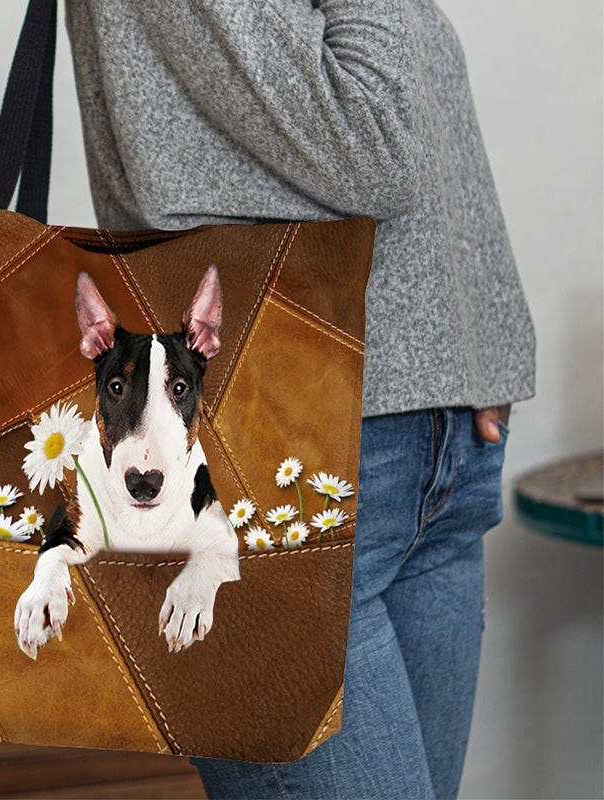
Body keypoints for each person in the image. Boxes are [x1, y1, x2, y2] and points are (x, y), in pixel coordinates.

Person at [63, 1, 536, 797]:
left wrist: (478, 346)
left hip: (437, 456)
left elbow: (426, 114)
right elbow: (374, 145)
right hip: (282, 465)